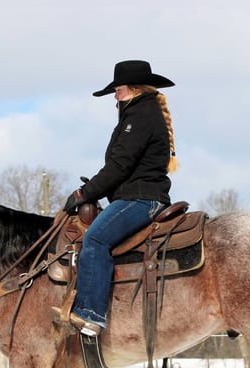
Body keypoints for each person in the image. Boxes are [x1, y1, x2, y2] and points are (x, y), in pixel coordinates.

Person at [58, 60, 178, 337]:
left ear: (134, 89)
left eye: (119, 90)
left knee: (96, 239)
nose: (115, 96)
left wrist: (84, 194)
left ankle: (91, 314)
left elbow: (119, 166)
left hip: (141, 199)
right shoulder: (139, 114)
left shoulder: (139, 117)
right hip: (135, 196)